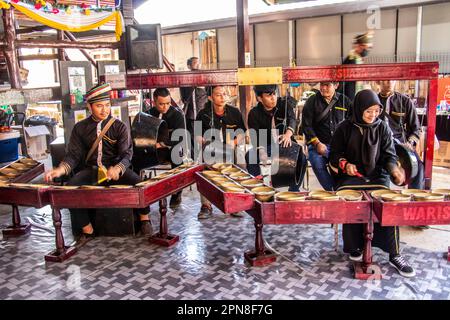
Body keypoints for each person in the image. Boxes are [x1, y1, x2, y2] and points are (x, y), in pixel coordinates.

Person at [44, 83, 152, 246]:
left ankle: (145, 218)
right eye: (99, 106)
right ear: (89, 107)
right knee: (70, 190)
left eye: (107, 105)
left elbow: (127, 154)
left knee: (140, 185)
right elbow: (73, 155)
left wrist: (117, 168)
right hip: (92, 171)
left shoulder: (119, 127)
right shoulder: (80, 128)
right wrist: (60, 170)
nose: (104, 110)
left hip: (115, 171)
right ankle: (88, 230)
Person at [329, 89, 415, 278]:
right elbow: (334, 155)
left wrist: (394, 170)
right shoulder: (344, 128)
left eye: (377, 111)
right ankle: (355, 246)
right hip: (351, 177)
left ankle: (395, 254)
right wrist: (345, 164)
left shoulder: (382, 127)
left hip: (377, 176)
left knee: (388, 205)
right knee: (351, 201)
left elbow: (389, 155)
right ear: (359, 108)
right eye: (369, 111)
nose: (373, 115)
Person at [195, 85, 246, 219]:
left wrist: (233, 143)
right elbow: (197, 135)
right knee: (203, 167)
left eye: (224, 94)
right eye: (218, 95)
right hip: (211, 149)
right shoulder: (203, 114)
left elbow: (242, 133)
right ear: (211, 97)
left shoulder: (234, 112)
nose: (223, 97)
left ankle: (235, 203)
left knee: (241, 162)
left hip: (231, 147)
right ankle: (206, 206)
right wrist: (207, 145)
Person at [247, 84, 305, 192]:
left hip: (285, 143)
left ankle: (294, 191)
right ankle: (257, 189)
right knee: (250, 155)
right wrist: (261, 150)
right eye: (269, 95)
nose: (273, 97)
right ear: (260, 98)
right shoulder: (254, 113)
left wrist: (288, 134)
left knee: (302, 157)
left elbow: (292, 119)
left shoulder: (284, 104)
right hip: (267, 145)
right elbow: (254, 136)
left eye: (274, 94)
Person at [301, 82, 352, 191]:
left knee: (348, 165)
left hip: (340, 147)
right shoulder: (312, 101)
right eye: (322, 85)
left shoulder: (345, 101)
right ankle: (333, 191)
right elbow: (306, 126)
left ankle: (344, 189)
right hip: (317, 145)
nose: (323, 88)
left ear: (336, 85)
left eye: (327, 85)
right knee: (317, 163)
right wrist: (317, 143)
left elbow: (351, 124)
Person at [377, 80, 424, 189]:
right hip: (377, 144)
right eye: (385, 81)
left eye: (391, 80)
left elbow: (416, 128)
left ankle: (415, 199)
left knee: (418, 167)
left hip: (400, 145)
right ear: (378, 82)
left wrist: (410, 143)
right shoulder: (372, 101)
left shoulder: (405, 101)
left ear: (395, 82)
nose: (388, 83)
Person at [148, 88, 187, 209]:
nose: (165, 107)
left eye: (168, 103)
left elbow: (180, 137)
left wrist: (162, 144)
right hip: (153, 149)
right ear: (154, 102)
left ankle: (176, 191)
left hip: (172, 148)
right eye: (161, 104)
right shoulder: (149, 113)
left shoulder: (177, 114)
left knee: (177, 155)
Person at [179, 57, 208, 157]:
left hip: (202, 114)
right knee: (192, 137)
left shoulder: (204, 77)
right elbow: (184, 97)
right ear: (189, 66)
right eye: (195, 63)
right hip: (191, 115)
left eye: (199, 63)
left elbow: (208, 94)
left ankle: (204, 157)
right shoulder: (185, 79)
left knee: (203, 137)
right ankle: (194, 158)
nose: (198, 65)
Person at [340, 31, 374, 101]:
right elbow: (342, 82)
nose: (366, 50)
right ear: (358, 46)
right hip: (349, 98)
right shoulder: (351, 59)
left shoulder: (358, 59)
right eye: (364, 47)